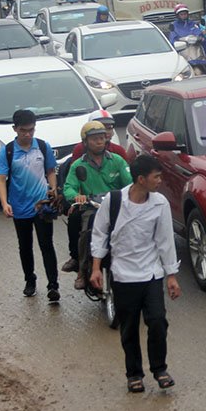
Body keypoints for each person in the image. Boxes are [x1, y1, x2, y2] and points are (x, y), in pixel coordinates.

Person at [90, 155, 181, 394]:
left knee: (158, 321)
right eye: (156, 177)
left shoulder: (159, 203)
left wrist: (171, 275)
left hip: (151, 274)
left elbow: (165, 241)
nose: (159, 181)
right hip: (123, 276)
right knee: (129, 328)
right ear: (141, 179)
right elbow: (99, 235)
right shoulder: (114, 201)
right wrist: (96, 268)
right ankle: (134, 374)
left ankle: (160, 369)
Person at [0, 109, 61, 303]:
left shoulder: (42, 146)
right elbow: (1, 179)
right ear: (15, 129)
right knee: (25, 246)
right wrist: (5, 203)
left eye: (31, 130)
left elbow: (50, 171)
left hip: (42, 207)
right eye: (23, 130)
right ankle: (30, 281)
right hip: (19, 206)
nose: (28, 134)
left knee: (46, 245)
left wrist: (54, 189)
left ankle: (53, 285)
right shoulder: (7, 151)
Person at [62, 121, 131, 289]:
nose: (99, 142)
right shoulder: (78, 165)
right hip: (92, 208)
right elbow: (68, 187)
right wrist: (76, 197)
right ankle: (82, 269)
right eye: (94, 139)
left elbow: (130, 183)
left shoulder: (118, 161)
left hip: (116, 207)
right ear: (85, 142)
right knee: (86, 233)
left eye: (102, 138)